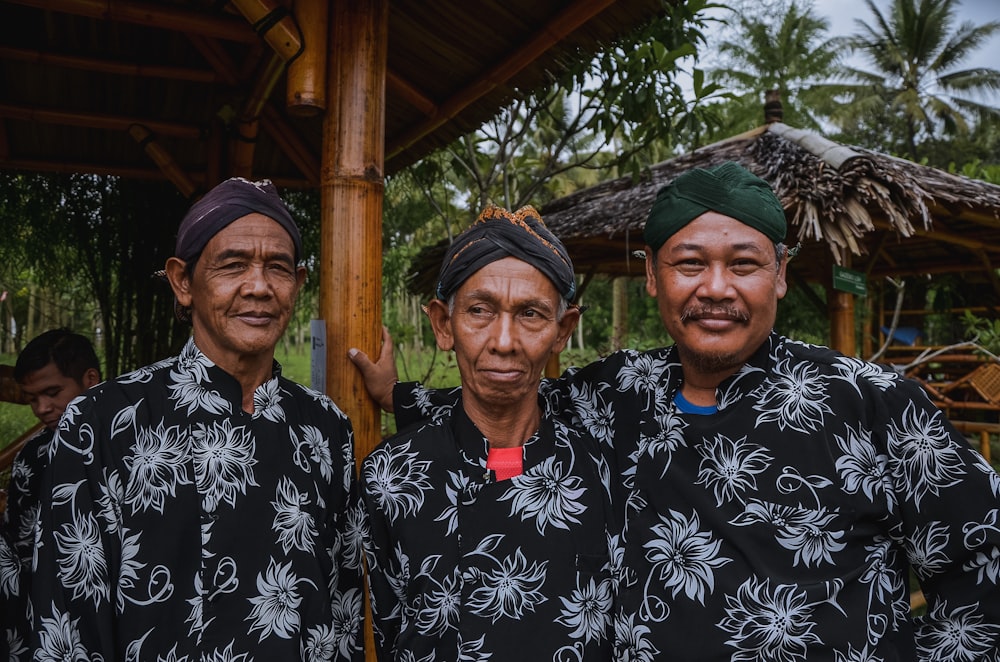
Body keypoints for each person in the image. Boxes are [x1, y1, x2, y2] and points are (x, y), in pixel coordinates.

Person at [352, 162, 1000, 660]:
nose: (715, 288)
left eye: (742, 264)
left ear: (778, 274)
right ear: (654, 276)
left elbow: (985, 558)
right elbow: (507, 388)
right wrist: (397, 397)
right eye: (690, 263)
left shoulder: (870, 403)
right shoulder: (618, 394)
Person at [26, 178, 365, 661]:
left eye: (278, 268)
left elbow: (344, 605)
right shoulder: (102, 422)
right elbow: (67, 625)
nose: (259, 287)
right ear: (182, 282)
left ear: (298, 284)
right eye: (232, 265)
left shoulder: (325, 427)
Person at [352, 205, 616, 660]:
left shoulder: (604, 467)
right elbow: (389, 625)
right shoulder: (392, 474)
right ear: (443, 324)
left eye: (531, 314)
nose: (504, 341)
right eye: (480, 311)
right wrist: (396, 395)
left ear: (562, 330)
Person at [0, 328, 102, 659]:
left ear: (91, 380)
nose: (42, 408)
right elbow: (19, 547)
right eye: (32, 398)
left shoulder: (137, 442)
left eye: (53, 392)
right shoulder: (33, 457)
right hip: (51, 606)